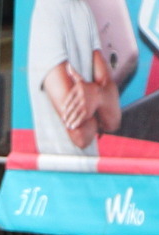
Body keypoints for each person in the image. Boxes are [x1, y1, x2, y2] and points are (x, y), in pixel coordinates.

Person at [27, 0, 123, 166]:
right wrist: (100, 109)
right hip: (58, 177)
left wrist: (97, 95)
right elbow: (80, 135)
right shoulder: (47, 13)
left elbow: (114, 119)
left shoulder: (82, 9)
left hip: (89, 177)